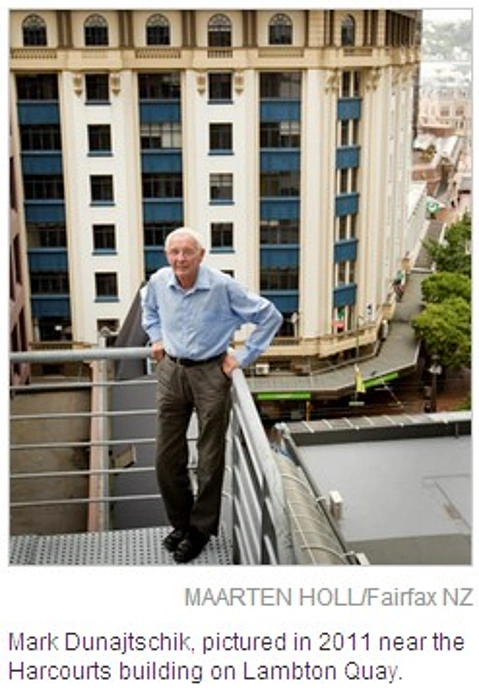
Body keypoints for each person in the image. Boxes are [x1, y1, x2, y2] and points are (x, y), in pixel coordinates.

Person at [141, 227, 283, 563]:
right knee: (166, 456)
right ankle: (180, 523)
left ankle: (200, 530)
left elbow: (270, 316)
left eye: (187, 251)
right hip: (171, 371)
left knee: (209, 458)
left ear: (201, 255)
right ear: (166, 255)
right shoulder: (159, 281)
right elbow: (149, 311)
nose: (180, 258)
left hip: (210, 374)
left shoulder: (222, 286)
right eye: (174, 252)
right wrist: (156, 338)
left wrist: (243, 357)